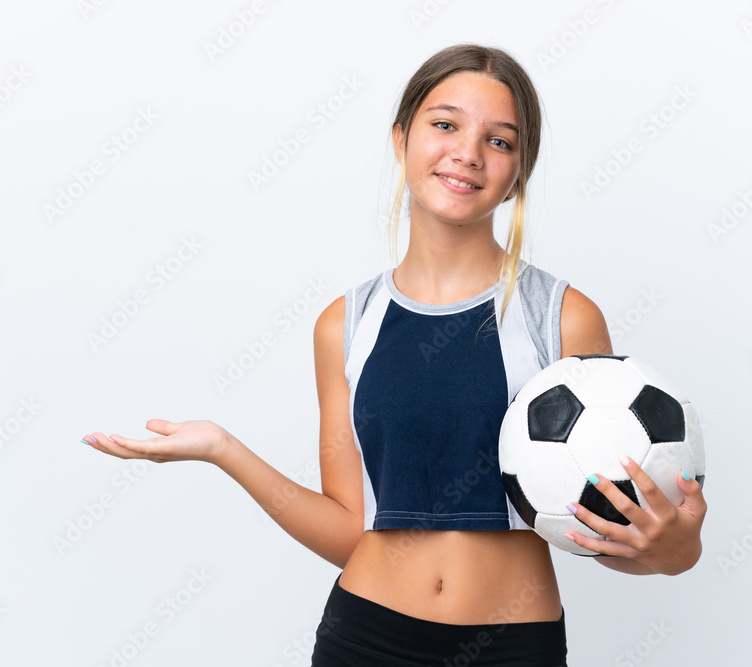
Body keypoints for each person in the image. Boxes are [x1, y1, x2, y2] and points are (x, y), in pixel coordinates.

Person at [82, 43, 707, 666]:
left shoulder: (563, 318)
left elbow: (610, 527)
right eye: (444, 125)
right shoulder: (346, 326)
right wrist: (224, 449)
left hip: (511, 647)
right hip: (365, 638)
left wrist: (675, 548)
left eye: (500, 140)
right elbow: (352, 528)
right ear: (401, 138)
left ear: (520, 170)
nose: (467, 152)